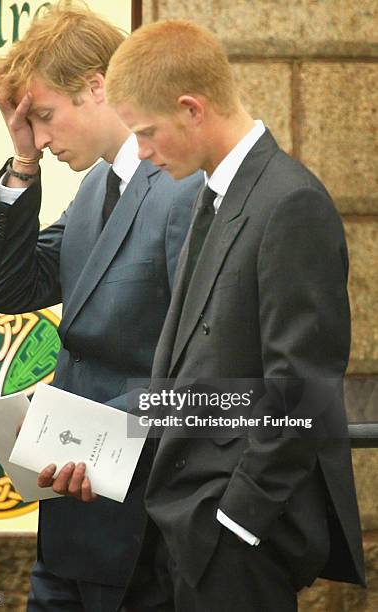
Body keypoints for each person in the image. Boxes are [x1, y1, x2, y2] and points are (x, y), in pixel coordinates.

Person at [105, 19, 366, 611]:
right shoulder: (215, 191)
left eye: (146, 133)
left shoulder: (290, 201)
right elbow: (200, 374)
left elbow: (301, 391)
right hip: (182, 525)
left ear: (192, 108)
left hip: (232, 543)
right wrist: (108, 446)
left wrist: (235, 521)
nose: (142, 153)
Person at [0, 4, 202, 611]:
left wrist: (107, 431)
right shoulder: (95, 186)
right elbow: (10, 289)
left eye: (46, 117)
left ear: (98, 86)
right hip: (70, 526)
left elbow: (203, 355)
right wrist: (22, 163)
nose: (44, 138)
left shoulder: (185, 187)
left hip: (142, 530)